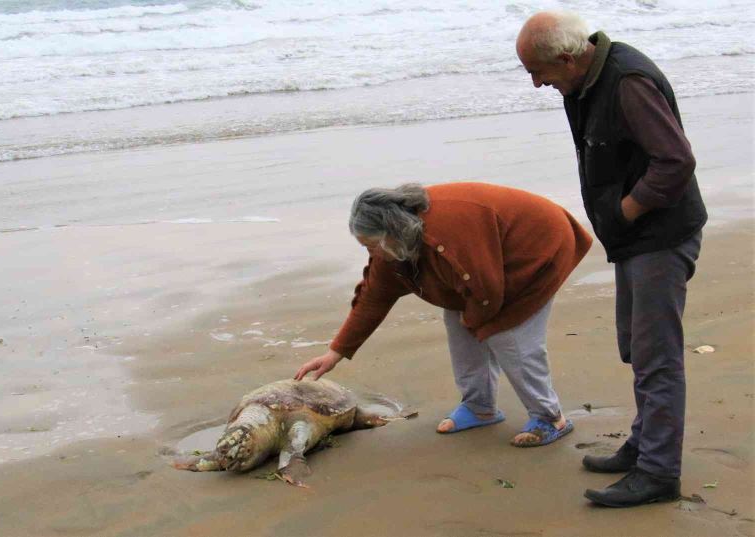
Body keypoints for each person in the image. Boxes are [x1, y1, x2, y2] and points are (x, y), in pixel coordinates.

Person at [516, 12, 706, 507]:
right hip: (636, 239)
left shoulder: (626, 81)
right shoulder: (583, 83)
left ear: (567, 57)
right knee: (636, 348)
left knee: (656, 360)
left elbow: (676, 161)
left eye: (538, 70)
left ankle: (659, 473)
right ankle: (645, 444)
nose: (537, 83)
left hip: (659, 237)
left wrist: (624, 212)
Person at [294, 182, 592, 447]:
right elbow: (373, 298)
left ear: (392, 232)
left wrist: (475, 320)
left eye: (371, 245)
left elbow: (487, 292)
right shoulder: (390, 249)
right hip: (481, 265)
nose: (372, 253)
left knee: (507, 334)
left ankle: (549, 418)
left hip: (535, 244)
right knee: (460, 324)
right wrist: (335, 352)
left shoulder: (445, 236)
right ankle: (480, 408)